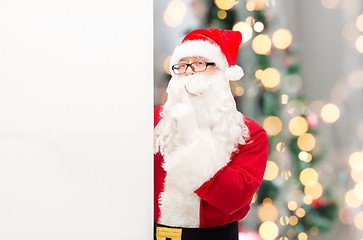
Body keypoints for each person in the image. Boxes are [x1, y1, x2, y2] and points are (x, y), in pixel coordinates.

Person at [154, 28, 269, 240]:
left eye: (199, 64)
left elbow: (233, 198)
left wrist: (190, 139)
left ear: (221, 72)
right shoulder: (154, 123)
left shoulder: (250, 134)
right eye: (182, 65)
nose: (189, 72)